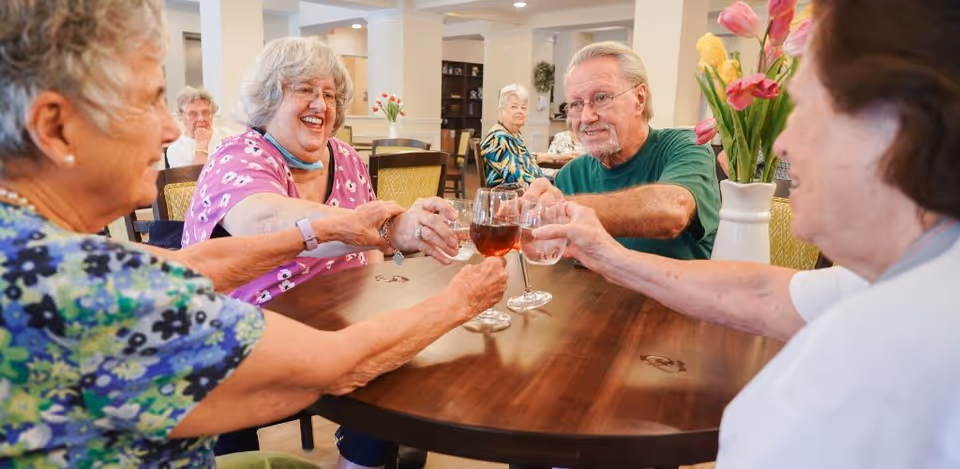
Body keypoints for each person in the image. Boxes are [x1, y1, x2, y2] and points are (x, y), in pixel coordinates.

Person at [0, 1, 509, 467]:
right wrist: (460, 300)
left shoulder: (34, 245)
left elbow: (189, 266)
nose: (174, 129)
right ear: (55, 126)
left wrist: (351, 229)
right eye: (149, 100)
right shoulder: (85, 287)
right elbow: (337, 365)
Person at [530, 0, 960, 466]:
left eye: (807, 107)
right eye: (576, 104)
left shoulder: (894, 356)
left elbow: (674, 210)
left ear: (899, 127)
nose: (782, 142)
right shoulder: (899, 281)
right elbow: (763, 291)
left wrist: (567, 213)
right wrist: (606, 254)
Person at [180, 37, 449, 467]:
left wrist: (380, 289)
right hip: (243, 332)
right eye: (304, 90)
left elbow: (372, 255)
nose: (320, 104)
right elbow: (263, 220)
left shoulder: (345, 156)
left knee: (399, 355)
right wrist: (386, 228)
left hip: (335, 325)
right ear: (269, 98)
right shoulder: (238, 155)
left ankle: (362, 460)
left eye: (329, 94)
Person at [551, 41, 721, 260]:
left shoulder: (685, 146)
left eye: (601, 98)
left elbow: (671, 211)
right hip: (594, 294)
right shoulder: (571, 176)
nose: (586, 117)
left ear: (640, 99)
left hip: (675, 294)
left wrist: (557, 210)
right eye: (575, 104)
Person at [480, 83, 556, 186]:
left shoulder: (514, 134)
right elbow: (516, 177)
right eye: (514, 107)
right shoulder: (498, 139)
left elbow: (523, 158)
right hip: (510, 197)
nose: (520, 111)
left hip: (527, 192)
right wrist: (549, 184)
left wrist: (559, 158)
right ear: (501, 110)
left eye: (523, 108)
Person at [166, 86, 229, 168]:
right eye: (193, 114)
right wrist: (202, 147)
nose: (201, 119)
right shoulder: (176, 149)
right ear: (181, 116)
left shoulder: (228, 137)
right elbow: (192, 180)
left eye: (206, 112)